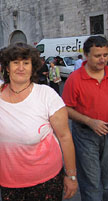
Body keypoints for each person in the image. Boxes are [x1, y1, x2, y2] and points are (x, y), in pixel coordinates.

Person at [0, 42, 78, 201]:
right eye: (16, 63)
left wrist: (71, 176)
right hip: (9, 181)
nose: (21, 67)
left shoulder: (46, 95)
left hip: (47, 179)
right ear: (7, 67)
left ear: (32, 67)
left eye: (26, 63)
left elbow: (65, 137)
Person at [62, 35, 108, 201]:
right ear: (86, 56)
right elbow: (66, 108)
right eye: (98, 56)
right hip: (86, 134)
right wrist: (90, 121)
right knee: (92, 183)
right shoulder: (75, 79)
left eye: (105, 55)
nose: (102, 59)